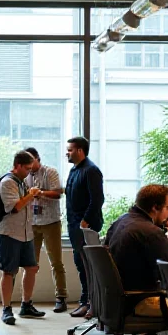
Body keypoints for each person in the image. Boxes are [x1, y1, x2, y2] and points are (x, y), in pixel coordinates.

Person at [104, 184, 168, 317]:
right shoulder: (152, 233)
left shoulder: (121, 221)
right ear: (155, 207)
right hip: (140, 301)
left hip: (117, 299)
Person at [0, 150, 45, 325]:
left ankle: (26, 305)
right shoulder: (7, 182)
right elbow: (14, 207)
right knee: (9, 271)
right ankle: (6, 309)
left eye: (31, 168)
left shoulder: (21, 182)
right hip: (9, 233)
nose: (29, 172)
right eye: (26, 168)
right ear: (17, 166)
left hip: (26, 233)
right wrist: (30, 195)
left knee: (31, 268)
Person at [24, 147, 69, 313]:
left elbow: (58, 193)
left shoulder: (50, 172)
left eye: (31, 161)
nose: (29, 165)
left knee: (56, 262)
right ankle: (26, 301)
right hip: (31, 223)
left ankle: (61, 297)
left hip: (51, 222)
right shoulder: (25, 174)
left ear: (38, 158)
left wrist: (40, 193)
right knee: (30, 264)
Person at [64, 136, 104, 318]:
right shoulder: (74, 170)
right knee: (81, 264)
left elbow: (97, 199)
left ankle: (91, 303)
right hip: (74, 225)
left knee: (88, 265)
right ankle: (85, 301)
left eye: (70, 149)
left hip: (85, 226)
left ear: (80, 150)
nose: (67, 153)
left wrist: (85, 220)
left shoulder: (91, 170)